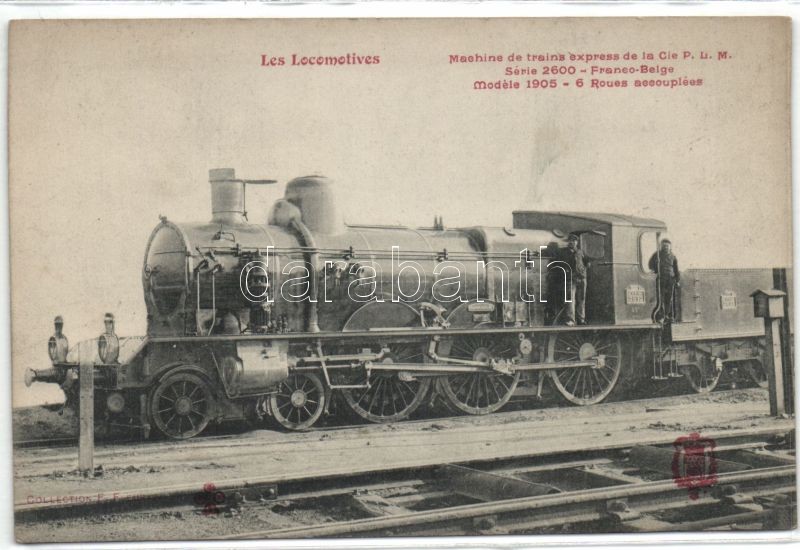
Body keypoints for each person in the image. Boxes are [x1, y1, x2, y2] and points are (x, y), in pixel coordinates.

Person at [648, 238, 681, 322]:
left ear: (670, 247)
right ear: (661, 246)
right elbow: (650, 264)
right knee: (660, 298)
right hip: (661, 279)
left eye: (667, 246)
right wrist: (656, 270)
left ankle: (668, 316)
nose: (666, 247)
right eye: (664, 245)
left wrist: (677, 280)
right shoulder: (657, 254)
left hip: (670, 279)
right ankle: (660, 316)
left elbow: (676, 269)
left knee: (669, 298)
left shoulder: (673, 256)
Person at [559, 233, 587, 326]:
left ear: (577, 242)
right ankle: (571, 320)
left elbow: (586, 263)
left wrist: (583, 270)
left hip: (581, 278)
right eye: (570, 240)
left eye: (574, 241)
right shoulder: (563, 252)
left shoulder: (580, 252)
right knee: (570, 300)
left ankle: (581, 319)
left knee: (581, 299)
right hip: (570, 278)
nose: (572, 242)